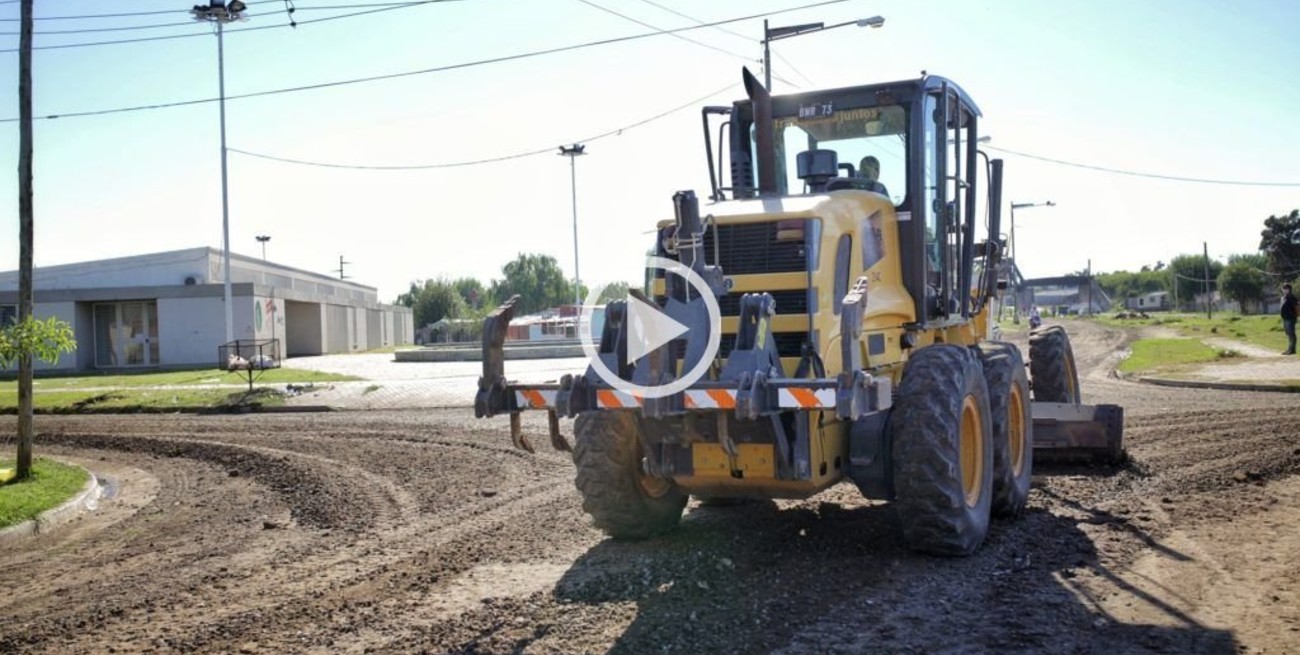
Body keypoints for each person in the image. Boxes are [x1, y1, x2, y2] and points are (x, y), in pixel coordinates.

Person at [1282, 283, 1297, 355]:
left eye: (1286, 288)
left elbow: (1296, 307)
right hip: (1285, 318)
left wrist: (1296, 316)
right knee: (1289, 334)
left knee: (1291, 334)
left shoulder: (1291, 297)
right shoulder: (1285, 297)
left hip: (1290, 318)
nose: (1284, 290)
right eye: (1283, 288)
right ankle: (1290, 349)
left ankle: (1292, 349)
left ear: (1289, 289)